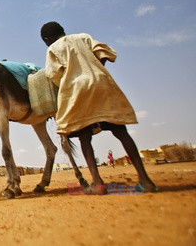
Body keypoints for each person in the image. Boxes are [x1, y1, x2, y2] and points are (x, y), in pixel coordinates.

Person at [40, 21, 157, 191]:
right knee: (121, 131)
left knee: (84, 136)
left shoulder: (52, 49)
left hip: (76, 90)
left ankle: (97, 182)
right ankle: (146, 181)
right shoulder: (83, 37)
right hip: (102, 84)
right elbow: (104, 53)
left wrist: (68, 82)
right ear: (63, 31)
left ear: (47, 39)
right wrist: (95, 70)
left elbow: (53, 74)